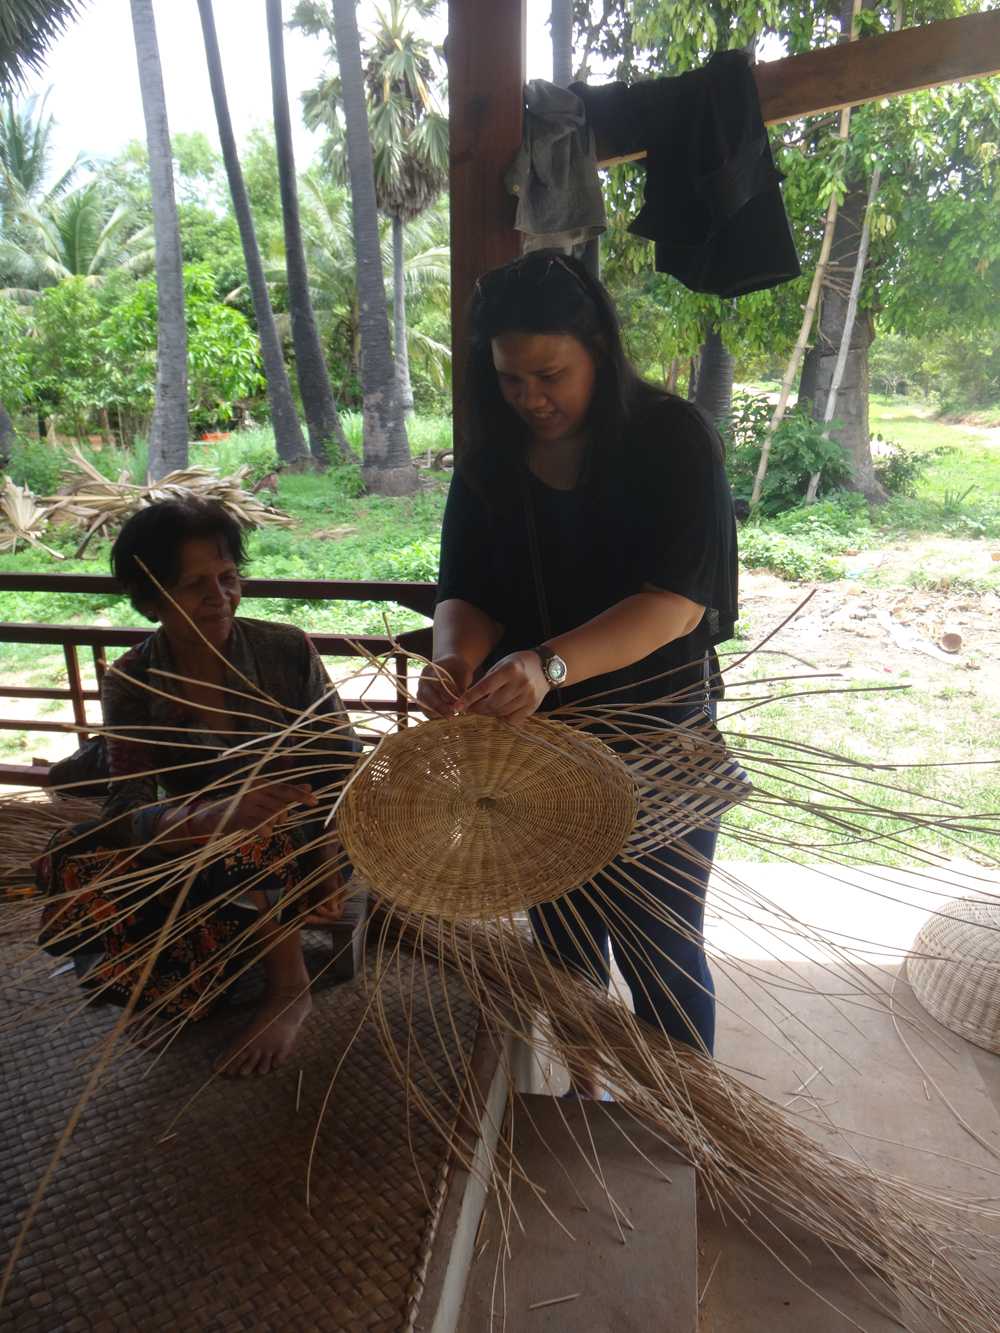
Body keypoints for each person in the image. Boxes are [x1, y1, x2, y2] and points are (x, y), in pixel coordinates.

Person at [417, 250, 738, 1071]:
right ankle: (586, 1094)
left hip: (658, 743)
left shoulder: (671, 440)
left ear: (599, 346)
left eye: (550, 373)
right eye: (510, 379)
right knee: (562, 951)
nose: (532, 397)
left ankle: (688, 1126)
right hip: (537, 758)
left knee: (662, 951)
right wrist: (454, 663)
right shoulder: (492, 463)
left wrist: (547, 666)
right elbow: (468, 591)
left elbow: (677, 601)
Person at [37, 499, 360, 1076]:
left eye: (228, 577)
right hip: (196, 830)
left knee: (258, 832)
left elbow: (342, 760)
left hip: (305, 827)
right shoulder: (133, 680)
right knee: (70, 856)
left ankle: (290, 987)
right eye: (194, 584)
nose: (219, 597)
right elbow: (127, 799)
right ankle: (180, 971)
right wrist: (199, 818)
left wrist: (329, 858)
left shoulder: (285, 649)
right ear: (151, 599)